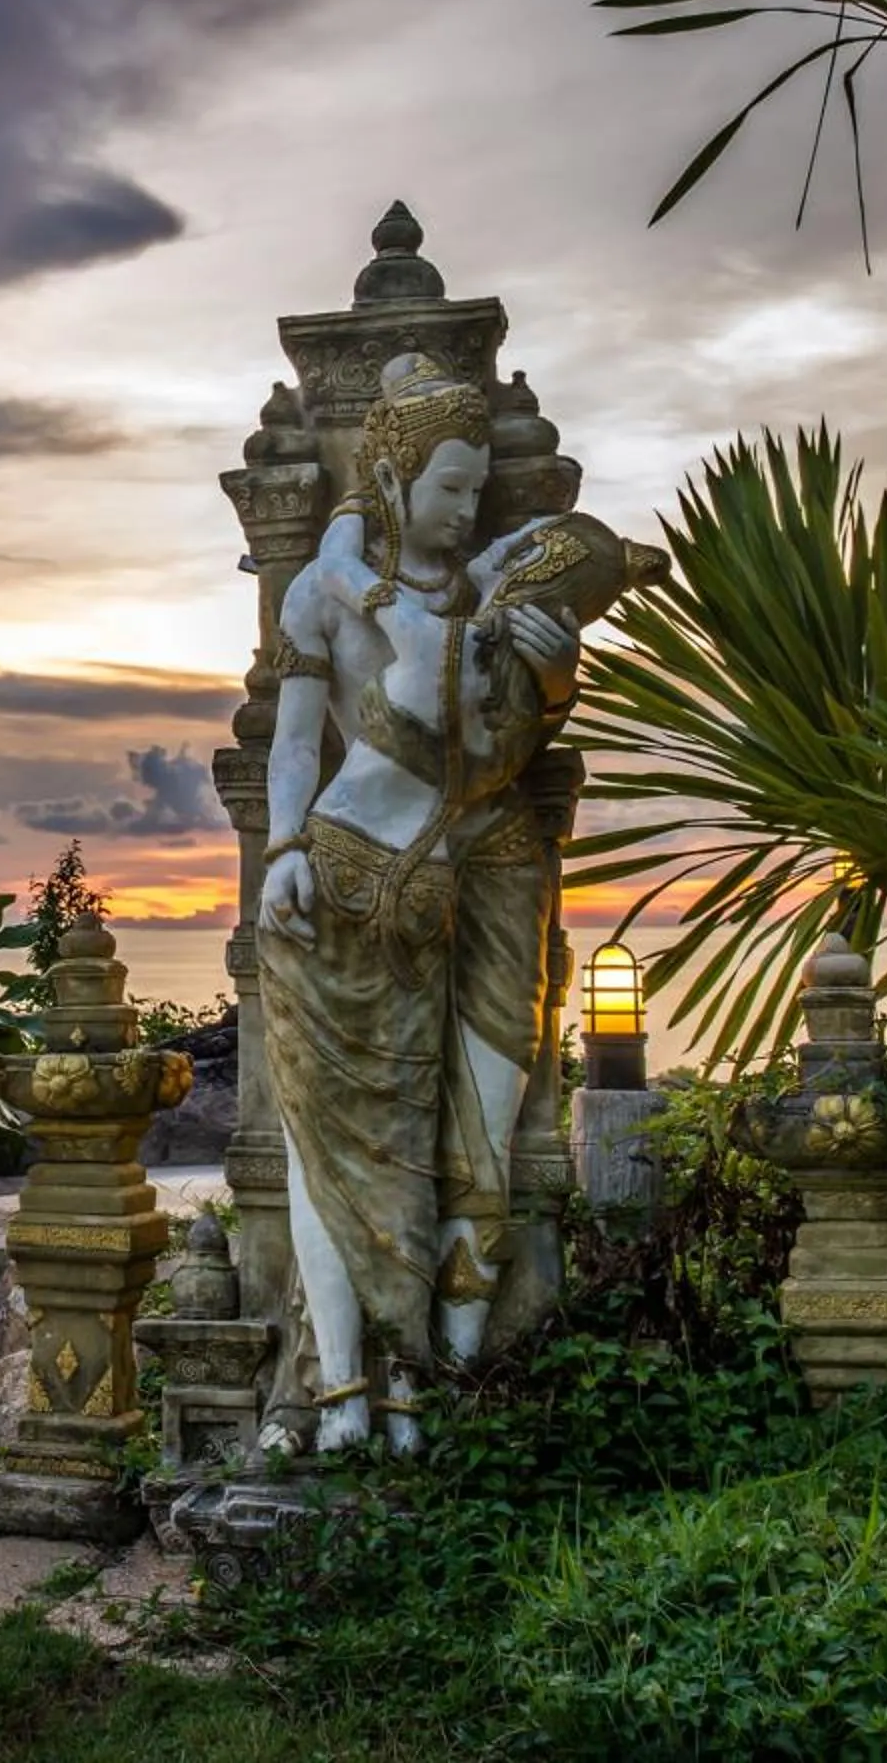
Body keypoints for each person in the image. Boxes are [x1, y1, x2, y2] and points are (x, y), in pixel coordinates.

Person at [255, 352, 577, 1455]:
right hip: (353, 875)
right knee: (337, 1143)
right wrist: (281, 849)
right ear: (393, 479)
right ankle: (342, 1388)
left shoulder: (496, 591)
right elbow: (294, 742)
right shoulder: (327, 591)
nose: (465, 508)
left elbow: (514, 741)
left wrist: (553, 677)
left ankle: (447, 1381)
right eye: (449, 486)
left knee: (479, 1131)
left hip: (481, 874)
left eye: (478, 488)